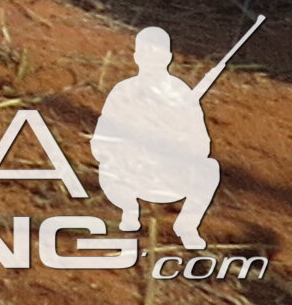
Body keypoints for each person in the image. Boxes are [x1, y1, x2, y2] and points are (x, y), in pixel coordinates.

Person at [89, 26, 223, 247]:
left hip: (169, 172)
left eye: (158, 54)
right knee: (109, 167)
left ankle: (187, 226)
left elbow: (202, 145)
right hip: (130, 172)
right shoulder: (123, 91)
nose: (152, 60)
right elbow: (101, 140)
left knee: (209, 169)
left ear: (168, 57)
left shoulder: (182, 94)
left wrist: (176, 139)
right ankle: (130, 213)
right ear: (137, 57)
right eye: (146, 54)